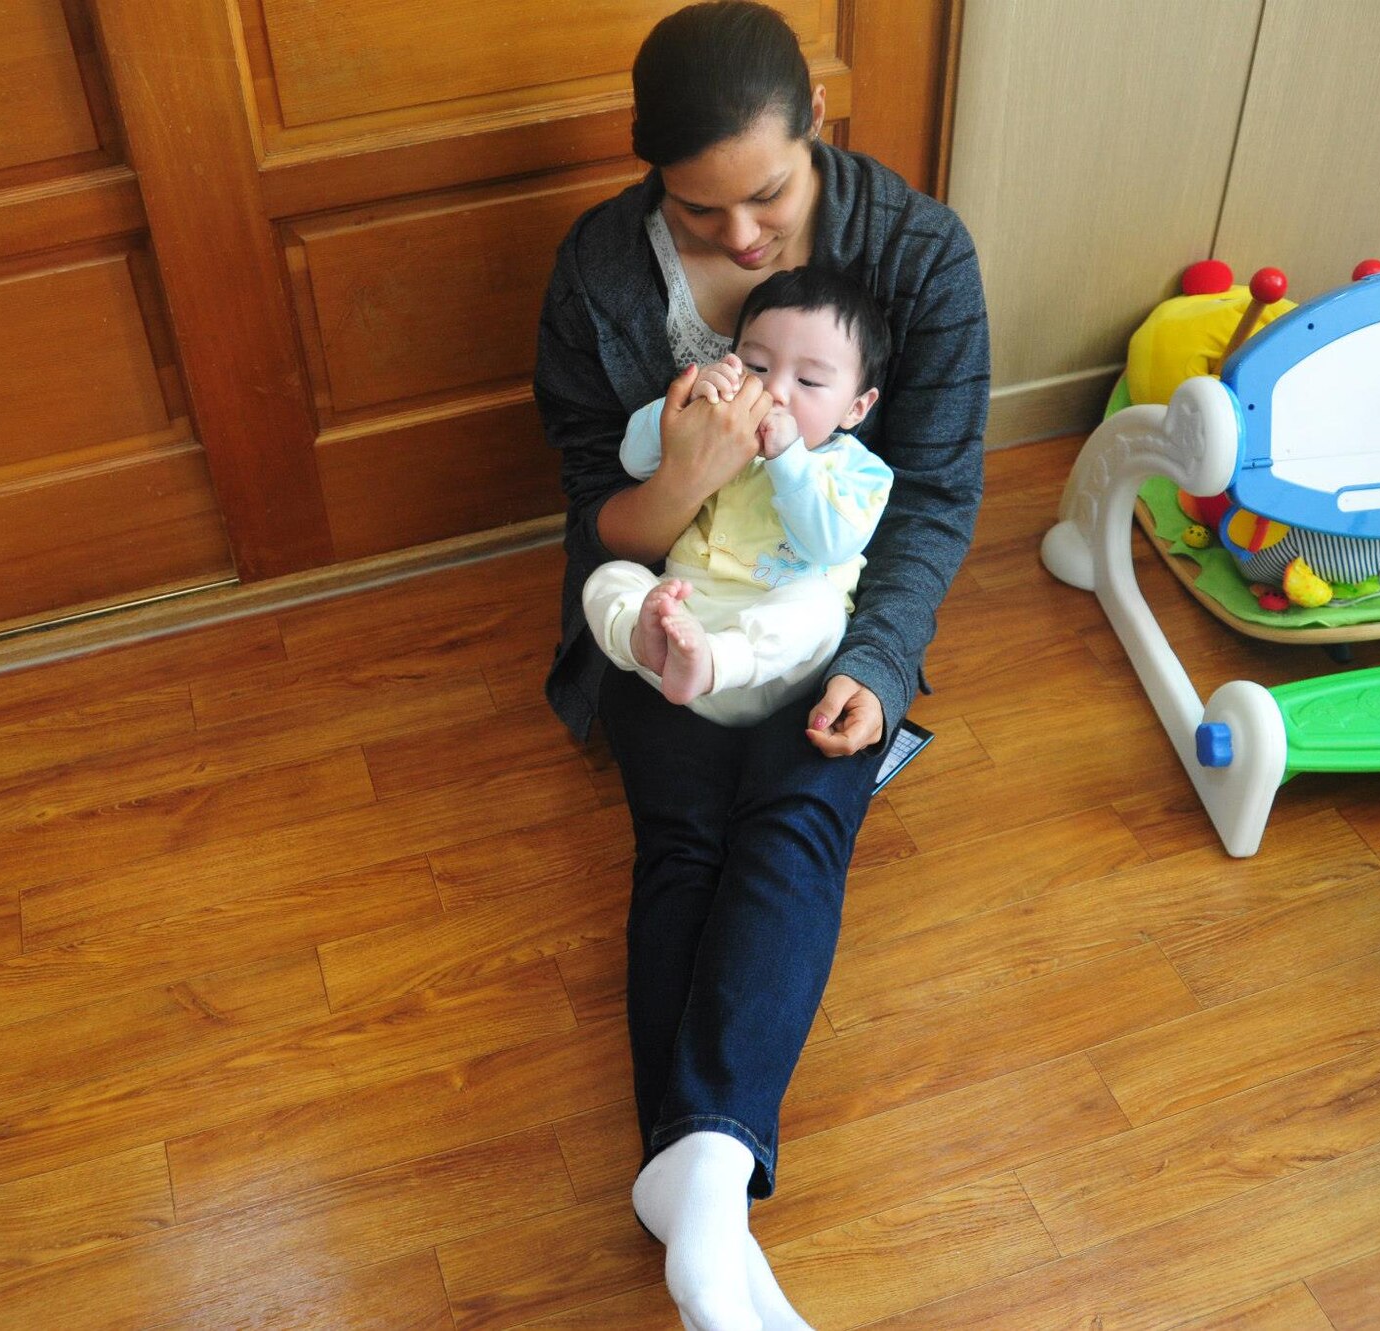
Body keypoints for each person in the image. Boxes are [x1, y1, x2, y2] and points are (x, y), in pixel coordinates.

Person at [534, 2, 988, 1328]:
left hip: (822, 618)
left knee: (796, 814)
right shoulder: (599, 279)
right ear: (648, 183)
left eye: (771, 196)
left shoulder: (916, 253)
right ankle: (712, 1190)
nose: (741, 237)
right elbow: (590, 518)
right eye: (697, 214)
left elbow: (941, 491)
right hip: (669, 594)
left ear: (818, 132)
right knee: (680, 832)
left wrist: (885, 657)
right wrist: (685, 476)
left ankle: (698, 1180)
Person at [583, 266, 894, 724]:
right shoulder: (719, 426)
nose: (776, 391)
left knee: (822, 610)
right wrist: (684, 407)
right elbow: (634, 460)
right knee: (610, 578)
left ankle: (711, 663)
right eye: (758, 367)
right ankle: (642, 642)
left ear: (856, 407)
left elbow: (831, 544)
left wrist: (787, 456)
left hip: (770, 658)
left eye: (808, 381)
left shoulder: (857, 469)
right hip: (684, 617)